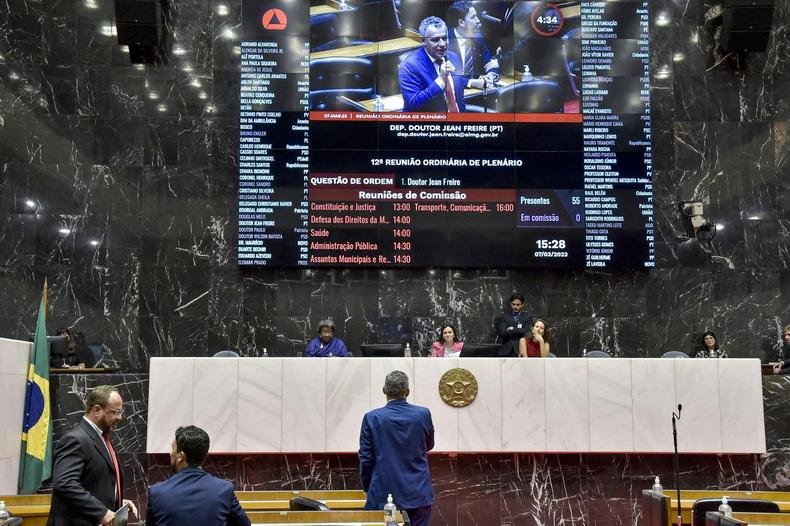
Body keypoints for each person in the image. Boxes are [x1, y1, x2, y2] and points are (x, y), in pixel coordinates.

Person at [48, 385, 138, 526]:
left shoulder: (101, 437)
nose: (120, 417)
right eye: (115, 412)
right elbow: (65, 483)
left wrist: (117, 501)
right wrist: (101, 512)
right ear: (96, 411)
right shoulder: (75, 439)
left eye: (121, 412)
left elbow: (95, 482)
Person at [359, 371, 434, 526]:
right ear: (408, 391)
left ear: (384, 390)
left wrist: (368, 487)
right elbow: (429, 445)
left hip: (385, 493)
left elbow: (366, 458)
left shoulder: (372, 418)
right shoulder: (423, 414)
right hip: (419, 492)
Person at [146, 426, 250, 526]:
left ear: (180, 456)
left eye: (173, 449)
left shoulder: (157, 492)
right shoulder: (224, 490)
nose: (170, 453)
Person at [399, 16, 468, 112]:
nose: (442, 44)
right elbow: (412, 104)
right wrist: (441, 80)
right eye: (435, 40)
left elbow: (459, 98)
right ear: (423, 41)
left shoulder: (454, 58)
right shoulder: (409, 66)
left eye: (444, 38)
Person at [447, 1, 499, 86]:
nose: (478, 20)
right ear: (461, 22)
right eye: (473, 17)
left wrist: (490, 76)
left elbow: (490, 64)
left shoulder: (478, 38)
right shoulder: (445, 41)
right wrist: (471, 83)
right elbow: (448, 76)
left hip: (478, 89)